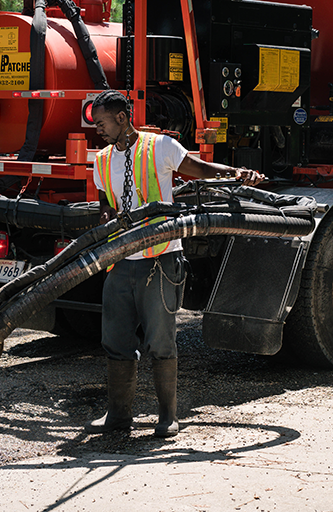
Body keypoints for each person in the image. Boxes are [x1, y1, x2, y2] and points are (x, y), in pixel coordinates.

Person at [86, 89, 264, 437]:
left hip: (161, 260)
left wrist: (238, 172)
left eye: (102, 122)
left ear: (122, 118)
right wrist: (108, 215)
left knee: (161, 340)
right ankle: (118, 417)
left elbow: (199, 169)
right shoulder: (103, 160)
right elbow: (103, 201)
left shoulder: (159, 148)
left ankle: (167, 417)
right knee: (116, 339)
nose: (98, 130)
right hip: (120, 263)